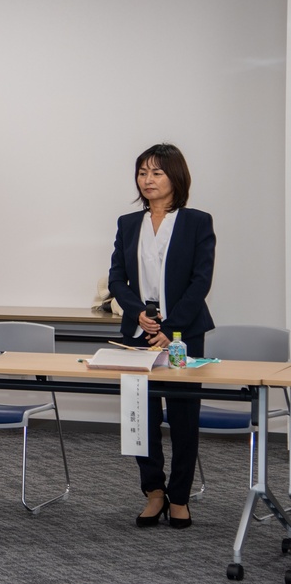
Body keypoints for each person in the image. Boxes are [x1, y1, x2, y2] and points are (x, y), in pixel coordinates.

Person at [108, 143, 215, 530]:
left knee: (185, 417)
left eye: (156, 172)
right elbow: (116, 277)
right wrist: (137, 311)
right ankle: (154, 492)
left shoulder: (196, 221)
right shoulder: (127, 223)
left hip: (183, 336)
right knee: (141, 416)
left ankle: (181, 496)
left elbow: (200, 280)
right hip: (139, 334)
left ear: (175, 177)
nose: (148, 180)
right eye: (142, 173)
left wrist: (172, 330)